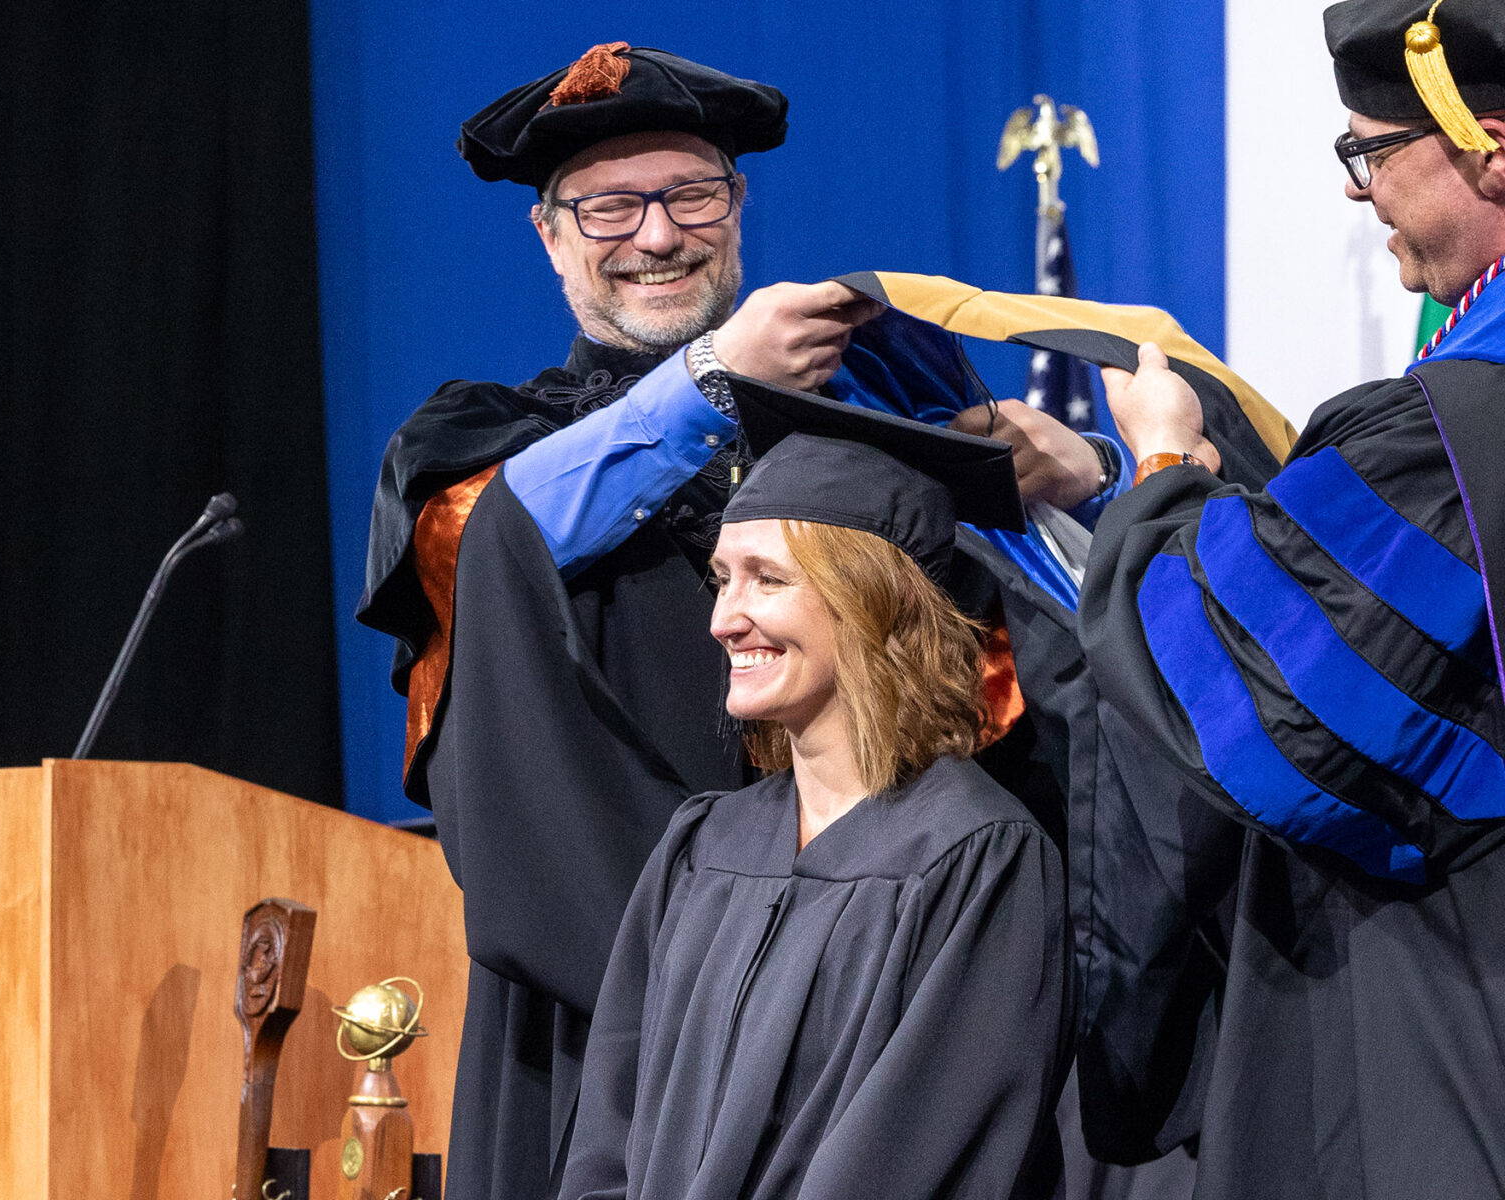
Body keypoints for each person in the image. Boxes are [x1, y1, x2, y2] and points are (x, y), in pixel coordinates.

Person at [355, 43, 886, 1200]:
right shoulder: (474, 448)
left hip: (868, 973)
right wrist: (707, 381)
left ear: (737, 211)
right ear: (549, 236)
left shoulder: (852, 436)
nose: (656, 236)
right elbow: (493, 544)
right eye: (609, 207)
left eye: (692, 195)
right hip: (608, 999)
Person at [1037, 0, 1505, 1194]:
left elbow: (1260, 707)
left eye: (1372, 150)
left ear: (1488, 147)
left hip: (1448, 1006)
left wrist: (1156, 477)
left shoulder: (1451, 429)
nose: (1358, 191)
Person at [559, 381, 1072, 1200]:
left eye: (766, 579)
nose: (726, 617)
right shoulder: (703, 847)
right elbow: (605, 1141)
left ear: (871, 602)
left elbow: (918, 1163)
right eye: (723, 578)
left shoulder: (977, 860)